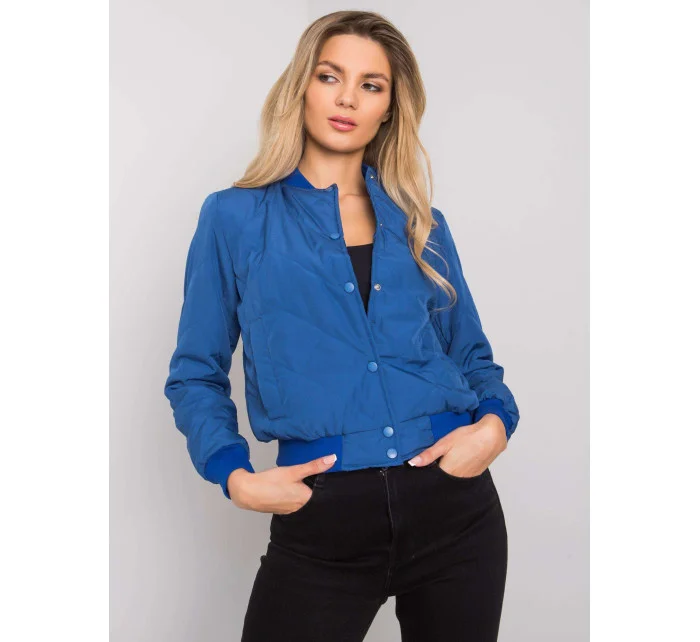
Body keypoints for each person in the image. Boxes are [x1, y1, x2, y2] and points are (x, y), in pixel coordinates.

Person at [164, 10, 520, 642]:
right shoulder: (234, 218)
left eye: (371, 85)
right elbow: (195, 372)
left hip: (456, 513)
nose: (348, 98)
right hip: (323, 520)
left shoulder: (421, 223)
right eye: (331, 76)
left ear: (389, 109)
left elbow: (471, 355)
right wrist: (233, 474)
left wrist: (494, 425)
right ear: (302, 86)